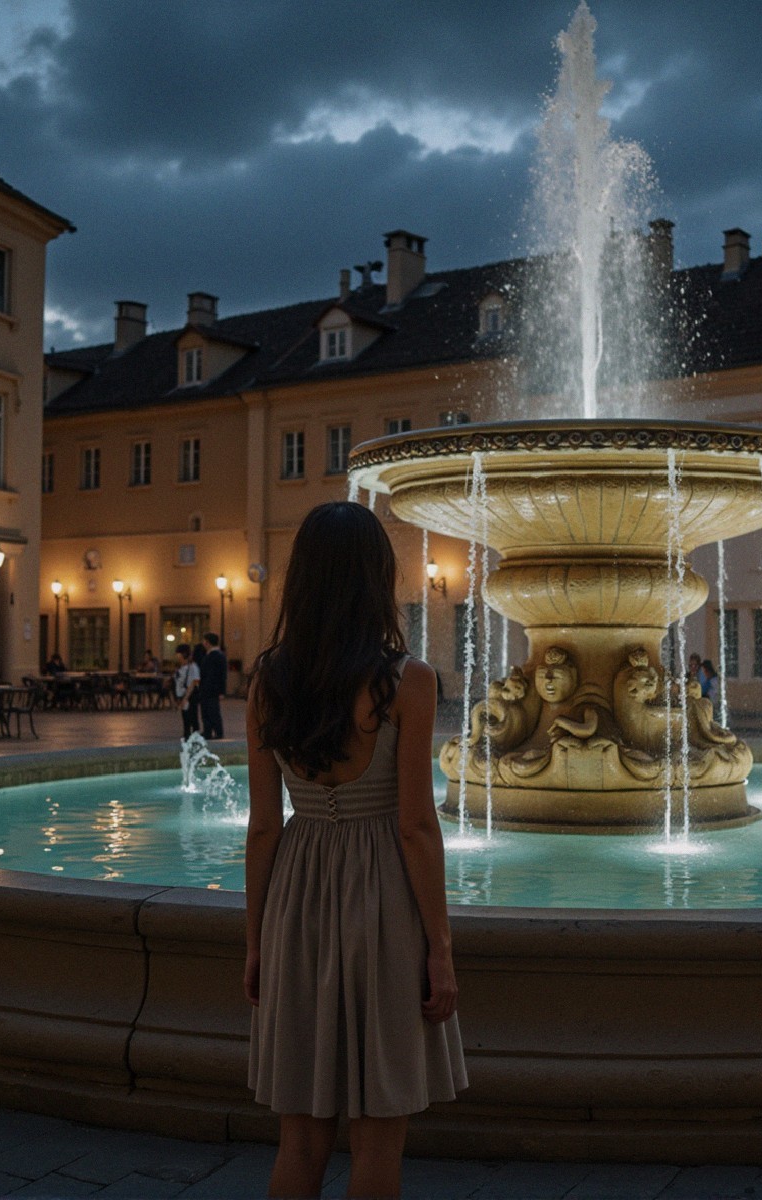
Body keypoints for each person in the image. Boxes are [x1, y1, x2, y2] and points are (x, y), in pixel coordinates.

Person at [245, 501, 465, 1199]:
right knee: (377, 1137)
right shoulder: (407, 682)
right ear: (376, 580)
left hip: (296, 896)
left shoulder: (267, 681)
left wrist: (256, 941)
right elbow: (415, 827)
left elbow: (262, 828)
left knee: (301, 1138)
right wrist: (440, 948)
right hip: (380, 901)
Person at [197, 632, 227, 740]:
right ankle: (208, 731)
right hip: (208, 688)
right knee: (206, 711)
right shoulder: (212, 655)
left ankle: (217, 732)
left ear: (208, 642)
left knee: (212, 711)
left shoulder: (215, 656)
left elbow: (220, 675)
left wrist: (221, 691)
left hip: (211, 689)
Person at [172, 643, 201, 738]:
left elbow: (193, 683)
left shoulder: (192, 667)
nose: (177, 656)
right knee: (185, 719)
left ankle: (194, 737)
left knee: (192, 717)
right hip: (181, 695)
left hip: (190, 696)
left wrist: (185, 698)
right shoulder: (179, 667)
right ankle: (187, 735)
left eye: (178, 654)